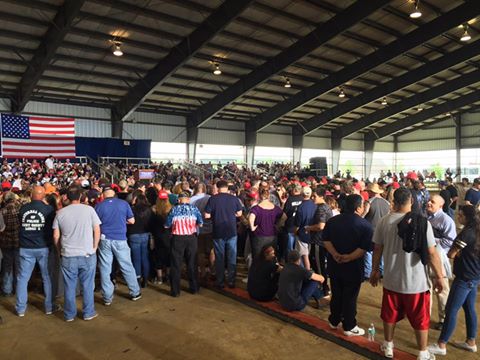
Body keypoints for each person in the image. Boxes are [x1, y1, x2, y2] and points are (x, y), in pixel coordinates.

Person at [370, 187, 444, 360]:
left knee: (390, 314)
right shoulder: (421, 222)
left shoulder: (384, 221)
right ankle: (422, 352)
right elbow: (432, 253)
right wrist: (440, 276)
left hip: (391, 279)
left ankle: (388, 345)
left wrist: (375, 270)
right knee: (421, 318)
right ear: (411, 200)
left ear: (394, 201)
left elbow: (377, 248)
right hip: (416, 282)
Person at [428, 205, 479, 356]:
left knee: (451, 309)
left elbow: (451, 254)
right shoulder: (477, 230)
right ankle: (471, 341)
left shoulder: (466, 233)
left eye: (461, 215)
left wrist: (458, 253)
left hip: (464, 277)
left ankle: (441, 344)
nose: (458, 217)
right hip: (475, 276)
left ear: (467, 217)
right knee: (469, 309)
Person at [322, 194, 373, 337]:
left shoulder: (332, 221)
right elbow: (364, 248)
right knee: (350, 296)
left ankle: (334, 320)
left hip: (335, 264)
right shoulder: (365, 225)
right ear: (358, 208)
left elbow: (326, 240)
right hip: (353, 267)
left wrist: (335, 254)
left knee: (337, 293)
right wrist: (349, 257)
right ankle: (349, 325)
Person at [53, 184, 101, 322]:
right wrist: (94, 247)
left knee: (69, 286)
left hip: (68, 255)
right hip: (87, 254)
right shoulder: (89, 210)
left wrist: (59, 251)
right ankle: (88, 312)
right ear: (81, 196)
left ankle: (69, 315)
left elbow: (56, 236)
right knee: (87, 285)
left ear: (67, 197)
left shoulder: (60, 213)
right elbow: (97, 230)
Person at [95, 187, 141, 305]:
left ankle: (107, 298)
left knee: (105, 268)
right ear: (114, 194)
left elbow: (96, 225)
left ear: (103, 195)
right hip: (120, 239)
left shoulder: (99, 206)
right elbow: (132, 221)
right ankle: (135, 292)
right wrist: (121, 221)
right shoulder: (123, 204)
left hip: (104, 239)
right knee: (126, 266)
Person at [15, 186, 56, 317]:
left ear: (31, 195)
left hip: (26, 247)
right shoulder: (49, 210)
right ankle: (49, 307)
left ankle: (21, 309)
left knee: (22, 279)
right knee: (47, 277)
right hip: (43, 247)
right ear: (43, 196)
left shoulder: (23, 209)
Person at [205, 180, 242, 289]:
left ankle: (220, 281)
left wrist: (215, 216)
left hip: (218, 231)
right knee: (232, 256)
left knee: (219, 257)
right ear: (227, 187)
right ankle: (231, 281)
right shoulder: (234, 199)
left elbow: (207, 215)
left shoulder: (213, 199)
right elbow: (239, 213)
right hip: (231, 231)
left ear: (217, 187)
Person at [426, 194, 456, 330]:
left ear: (440, 205)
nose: (429, 203)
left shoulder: (446, 220)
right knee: (427, 289)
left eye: (432, 202)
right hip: (427, 258)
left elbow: (450, 240)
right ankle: (425, 316)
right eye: (429, 201)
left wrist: (434, 246)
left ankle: (443, 319)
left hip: (439, 258)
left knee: (442, 290)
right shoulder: (426, 217)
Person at [165, 192, 203, 297]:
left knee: (176, 264)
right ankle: (194, 288)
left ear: (180, 199)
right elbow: (200, 223)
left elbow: (167, 225)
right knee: (192, 263)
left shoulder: (174, 210)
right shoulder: (195, 209)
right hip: (191, 238)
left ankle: (175, 291)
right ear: (188, 199)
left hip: (178, 238)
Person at [363, 183, 390, 279]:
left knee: (369, 251)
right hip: (384, 230)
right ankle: (382, 271)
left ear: (371, 192)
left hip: (370, 230)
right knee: (382, 251)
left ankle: (367, 272)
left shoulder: (369, 202)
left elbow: (364, 214)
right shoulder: (387, 203)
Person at [248, 189, 284, 259]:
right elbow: (284, 216)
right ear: (269, 196)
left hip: (259, 235)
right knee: (271, 257)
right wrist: (278, 225)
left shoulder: (256, 208)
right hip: (272, 235)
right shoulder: (275, 208)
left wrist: (252, 227)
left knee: (258, 257)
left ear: (260, 196)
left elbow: (251, 217)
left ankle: (258, 269)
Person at [127, 193, 152, 288]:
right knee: (145, 257)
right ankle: (145, 280)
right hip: (145, 234)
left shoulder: (132, 210)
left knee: (136, 258)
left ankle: (137, 278)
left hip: (134, 235)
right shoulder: (149, 210)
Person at [150, 190, 171, 284]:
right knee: (168, 256)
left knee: (158, 256)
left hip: (157, 237)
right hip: (169, 237)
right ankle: (168, 276)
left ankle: (159, 278)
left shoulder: (154, 210)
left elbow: (151, 225)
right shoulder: (171, 210)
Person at [294, 187, 316, 270]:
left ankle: (306, 273)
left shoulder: (300, 207)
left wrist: (295, 232)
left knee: (303, 255)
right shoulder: (315, 205)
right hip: (313, 233)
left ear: (301, 194)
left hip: (302, 234)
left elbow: (297, 224)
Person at [0, 192, 17, 296]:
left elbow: (1, 229)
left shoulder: (2, 211)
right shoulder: (20, 210)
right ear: (14, 199)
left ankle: (7, 290)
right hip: (18, 242)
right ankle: (19, 289)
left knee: (7, 266)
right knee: (19, 267)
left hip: (5, 243)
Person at [282, 184, 304, 262]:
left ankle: (290, 263)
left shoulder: (290, 199)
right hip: (300, 227)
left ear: (294, 190)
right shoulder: (303, 199)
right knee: (299, 249)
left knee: (290, 249)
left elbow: (285, 213)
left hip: (290, 227)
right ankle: (299, 263)